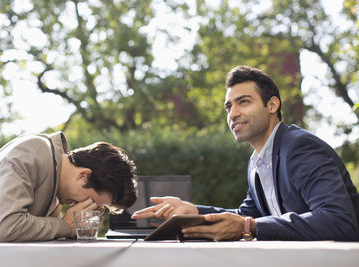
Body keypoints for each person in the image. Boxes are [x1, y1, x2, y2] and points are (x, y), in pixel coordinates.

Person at [132, 65, 359, 241]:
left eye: (244, 102)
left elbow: (339, 221)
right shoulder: (256, 163)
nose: (233, 114)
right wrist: (194, 211)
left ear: (271, 106)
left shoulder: (300, 148)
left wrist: (249, 226)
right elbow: (246, 214)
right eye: (229, 107)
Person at [0, 131, 137, 244]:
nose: (90, 208)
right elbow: (4, 227)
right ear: (84, 175)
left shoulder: (55, 186)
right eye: (92, 201)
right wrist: (65, 226)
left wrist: (71, 232)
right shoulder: (31, 152)